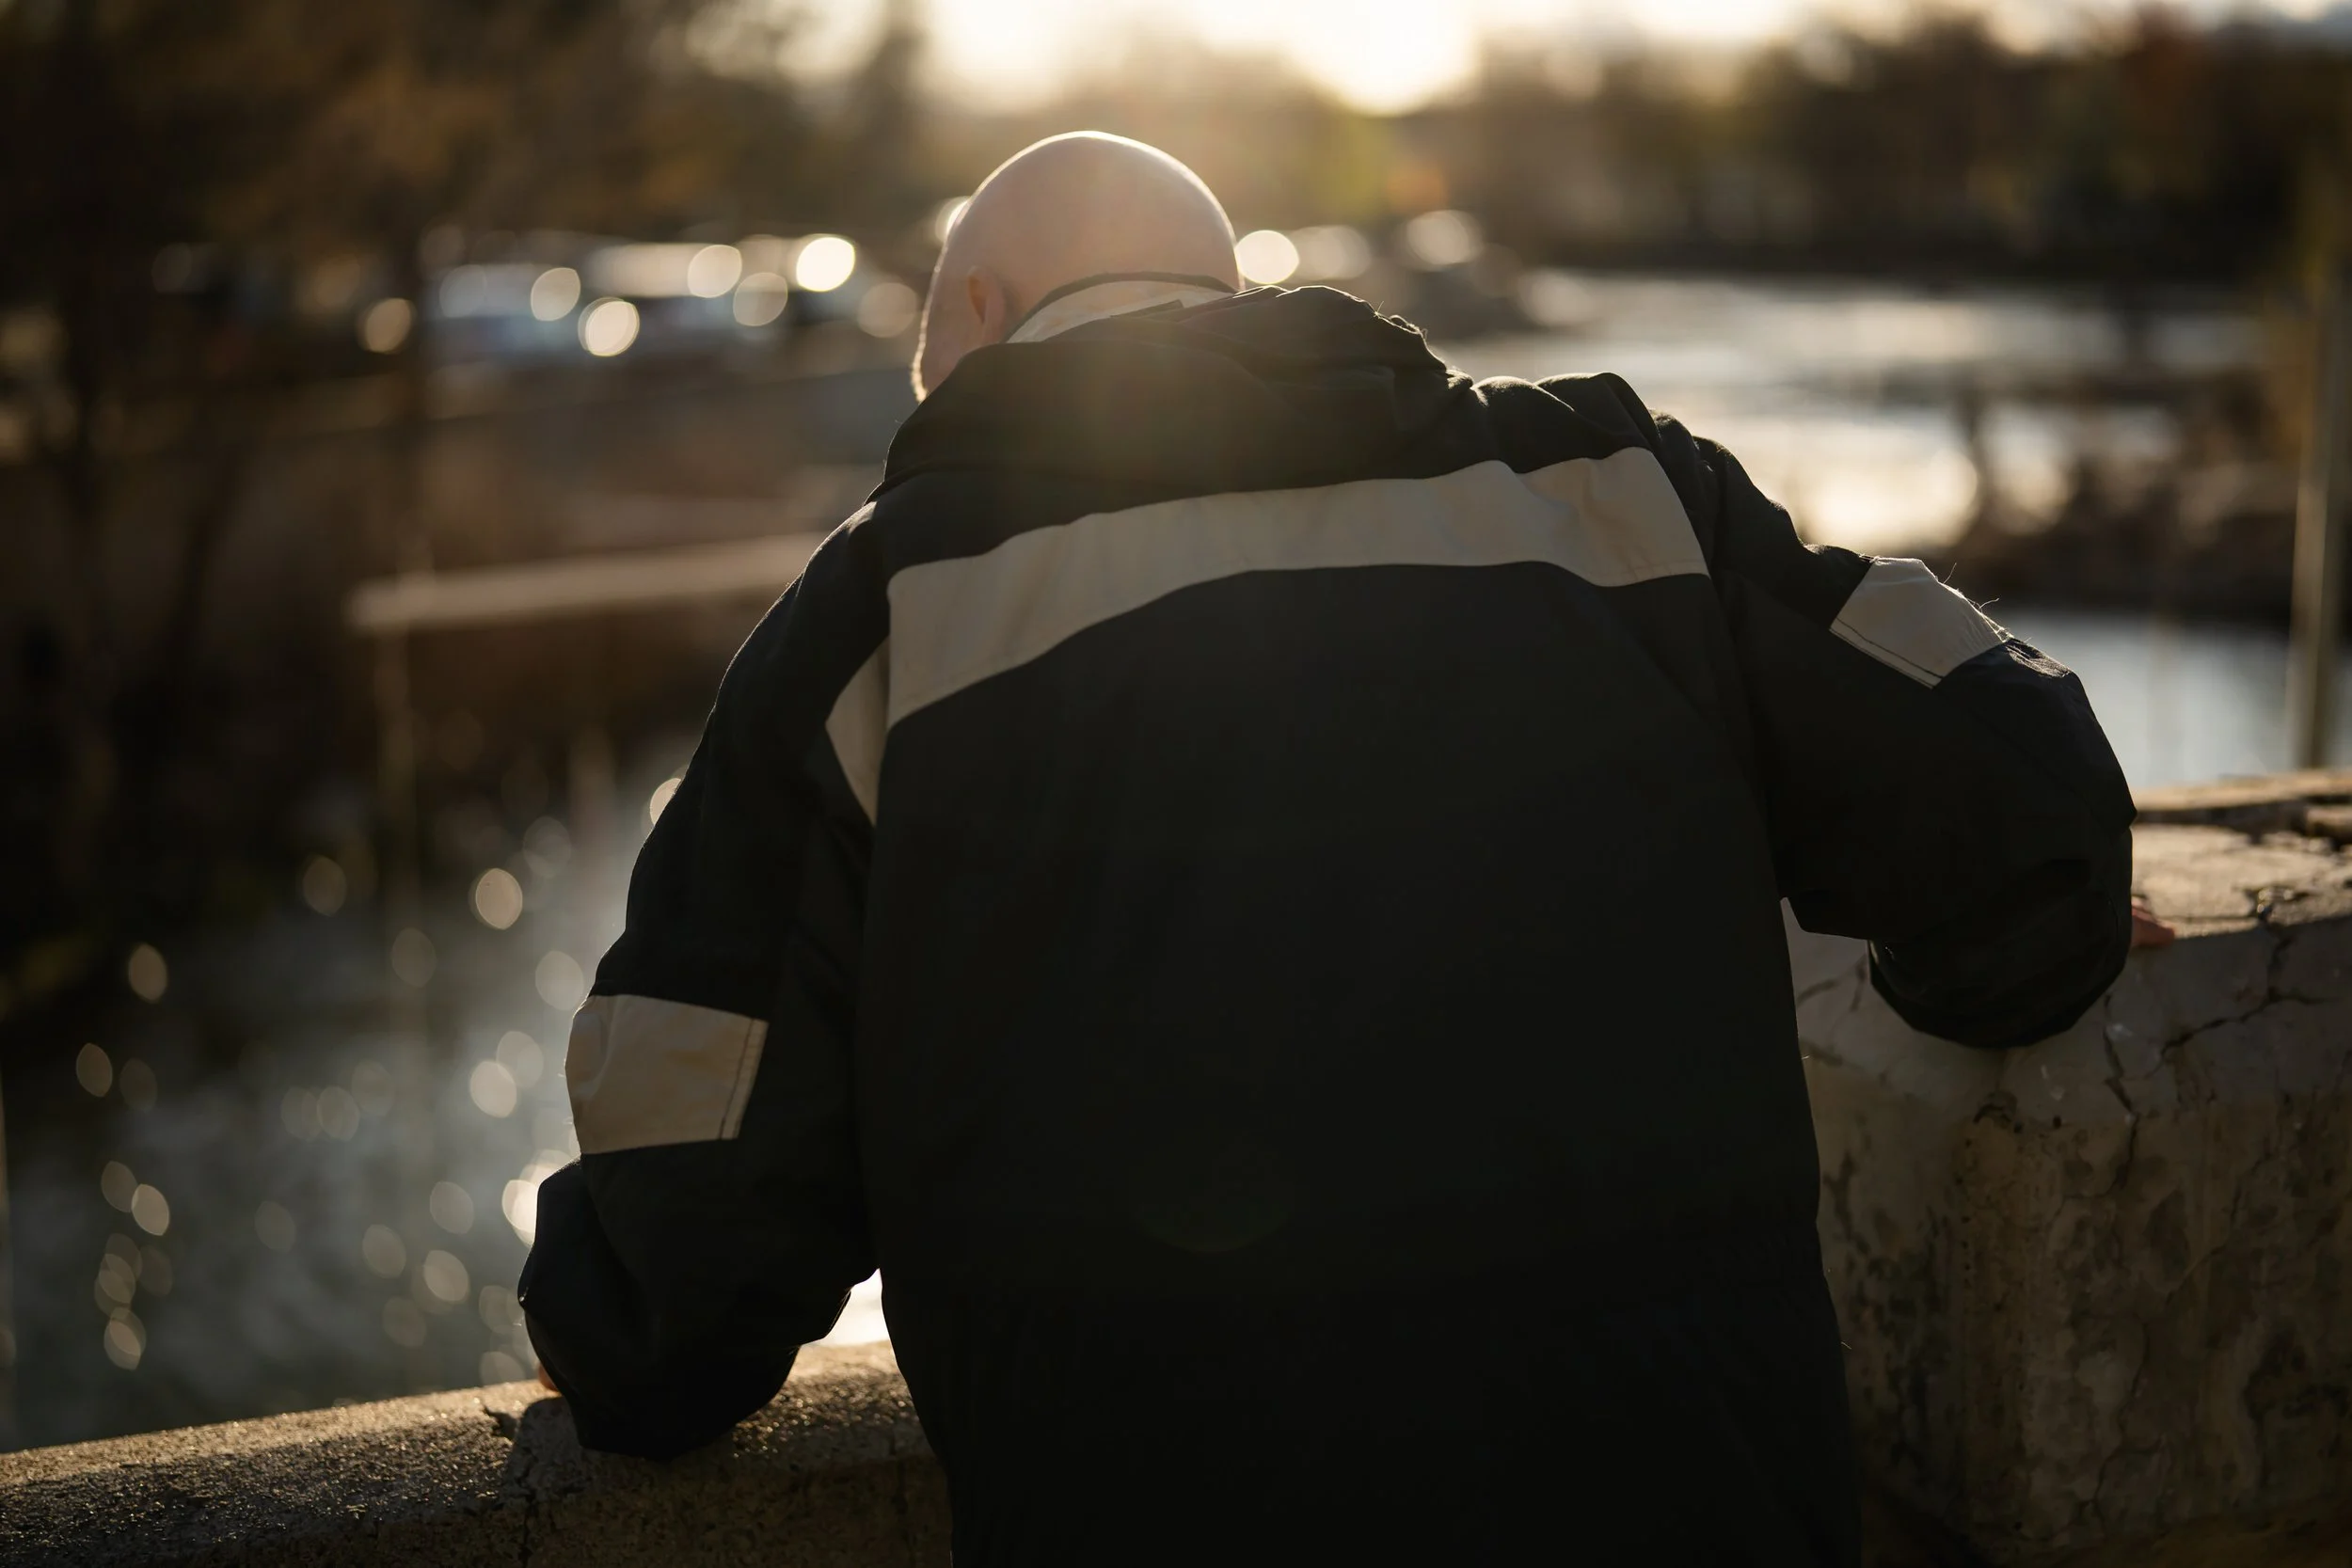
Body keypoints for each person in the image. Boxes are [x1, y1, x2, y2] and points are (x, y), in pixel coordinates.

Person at [520, 132, 2140, 1564]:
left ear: (989, 319)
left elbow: (676, 1281)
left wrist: (600, 1318)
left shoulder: (880, 614)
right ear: (1224, 291)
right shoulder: (1618, 486)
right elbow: (2028, 822)